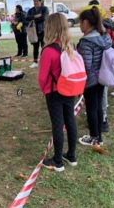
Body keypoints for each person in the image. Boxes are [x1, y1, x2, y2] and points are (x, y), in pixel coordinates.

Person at [38, 13, 78, 172]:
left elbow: (42, 77)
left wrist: (43, 90)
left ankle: (57, 161)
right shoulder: (69, 47)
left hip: (54, 92)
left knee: (57, 124)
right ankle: (72, 155)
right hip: (70, 89)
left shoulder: (48, 50)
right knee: (70, 121)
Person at [77, 6, 112, 146]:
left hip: (91, 79)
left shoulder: (86, 42)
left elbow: (86, 63)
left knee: (91, 108)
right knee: (97, 107)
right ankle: (99, 137)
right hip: (103, 76)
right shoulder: (105, 36)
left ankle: (93, 137)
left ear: (85, 22)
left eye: (80, 22)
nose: (79, 25)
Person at [26, 0, 49, 68]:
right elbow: (26, 18)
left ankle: (44, 62)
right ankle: (35, 62)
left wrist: (33, 19)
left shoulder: (45, 9)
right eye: (34, 1)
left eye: (37, 1)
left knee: (44, 47)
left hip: (43, 31)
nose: (35, 3)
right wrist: (35, 16)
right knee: (35, 48)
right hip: (34, 32)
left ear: (40, 1)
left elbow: (43, 18)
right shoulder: (31, 10)